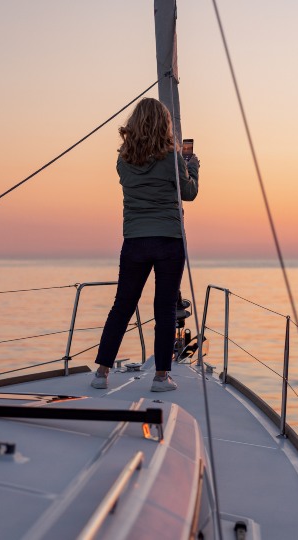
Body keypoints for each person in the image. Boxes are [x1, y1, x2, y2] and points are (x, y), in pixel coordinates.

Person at [91, 97, 199, 392]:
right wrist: (194, 167)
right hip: (168, 240)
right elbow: (188, 193)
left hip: (135, 240)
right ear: (164, 124)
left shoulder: (123, 161)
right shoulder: (173, 158)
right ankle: (161, 377)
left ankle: (101, 373)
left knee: (122, 306)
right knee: (164, 308)